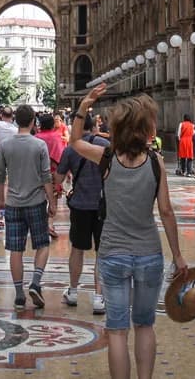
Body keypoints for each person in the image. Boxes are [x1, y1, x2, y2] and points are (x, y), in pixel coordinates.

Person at [69, 86, 188, 379]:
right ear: (147, 128)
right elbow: (167, 211)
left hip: (112, 255)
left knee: (118, 331)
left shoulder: (106, 158)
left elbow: (73, 142)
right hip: (149, 254)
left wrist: (84, 105)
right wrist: (179, 256)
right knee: (145, 325)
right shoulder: (156, 162)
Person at [0, 104, 54, 309]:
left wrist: (2, 199)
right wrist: (52, 202)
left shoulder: (5, 145)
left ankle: (19, 294)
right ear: (32, 122)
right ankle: (36, 282)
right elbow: (46, 176)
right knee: (43, 244)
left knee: (16, 250)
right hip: (36, 202)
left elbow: (0, 175)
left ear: (15, 120)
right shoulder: (39, 146)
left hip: (13, 203)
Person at [57, 113, 109, 313]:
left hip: (80, 205)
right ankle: (98, 296)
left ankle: (72, 291)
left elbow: (58, 178)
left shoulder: (71, 149)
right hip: (103, 205)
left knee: (77, 249)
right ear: (93, 126)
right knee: (102, 251)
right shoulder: (105, 145)